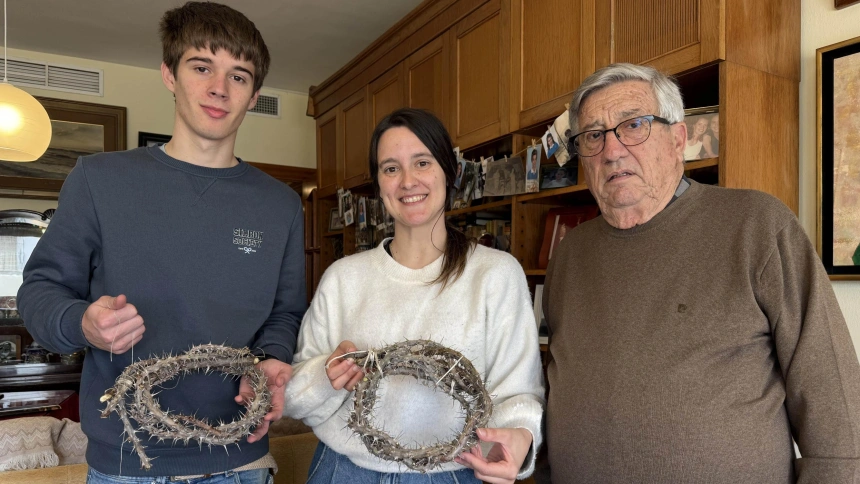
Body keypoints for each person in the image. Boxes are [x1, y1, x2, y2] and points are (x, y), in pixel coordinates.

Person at [18, 2, 306, 481]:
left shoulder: (280, 205)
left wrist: (270, 362)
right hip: (128, 465)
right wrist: (83, 323)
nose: (219, 88)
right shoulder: (99, 180)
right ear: (169, 75)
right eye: (201, 67)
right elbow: (39, 293)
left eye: (239, 76)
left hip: (243, 461)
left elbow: (285, 312)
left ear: (254, 94)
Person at [544, 61, 860, 483]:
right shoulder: (570, 252)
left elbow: (831, 393)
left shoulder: (756, 224)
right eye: (593, 135)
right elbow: (557, 383)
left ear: (678, 139)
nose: (612, 150)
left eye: (633, 125)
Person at [284, 108, 544, 484]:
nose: (408, 181)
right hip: (343, 471)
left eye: (422, 162)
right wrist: (326, 374)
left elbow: (516, 394)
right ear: (378, 184)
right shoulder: (343, 278)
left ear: (448, 172)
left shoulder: (495, 274)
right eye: (391, 168)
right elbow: (295, 393)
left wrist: (514, 442)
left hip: (453, 474)